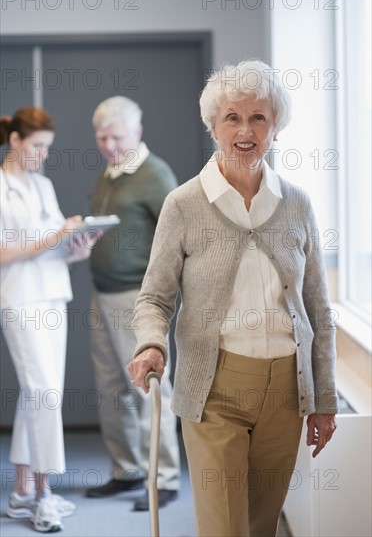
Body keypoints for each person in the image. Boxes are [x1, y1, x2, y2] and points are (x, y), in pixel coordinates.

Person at [128, 60, 338, 537]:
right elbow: (155, 298)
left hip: (286, 388)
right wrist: (151, 343)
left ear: (275, 127)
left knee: (261, 525)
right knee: (224, 528)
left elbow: (317, 310)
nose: (245, 131)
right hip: (214, 386)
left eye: (258, 117)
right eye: (232, 118)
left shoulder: (297, 204)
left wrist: (322, 399)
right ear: (214, 125)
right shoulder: (183, 204)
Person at [0, 107, 98, 533]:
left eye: (47, 148)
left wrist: (77, 246)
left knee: (39, 393)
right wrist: (52, 238)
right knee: (44, 396)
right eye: (37, 146)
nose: (42, 155)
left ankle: (21, 493)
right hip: (20, 300)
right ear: (16, 141)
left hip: (53, 295)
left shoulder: (43, 185)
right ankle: (43, 495)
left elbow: (56, 246)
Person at [86, 96, 180, 510]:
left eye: (116, 136)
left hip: (135, 298)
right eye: (102, 136)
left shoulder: (155, 175)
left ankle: (166, 479)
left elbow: (180, 238)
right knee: (111, 391)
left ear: (136, 132)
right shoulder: (110, 173)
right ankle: (127, 470)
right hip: (101, 293)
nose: (108, 144)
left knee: (146, 390)